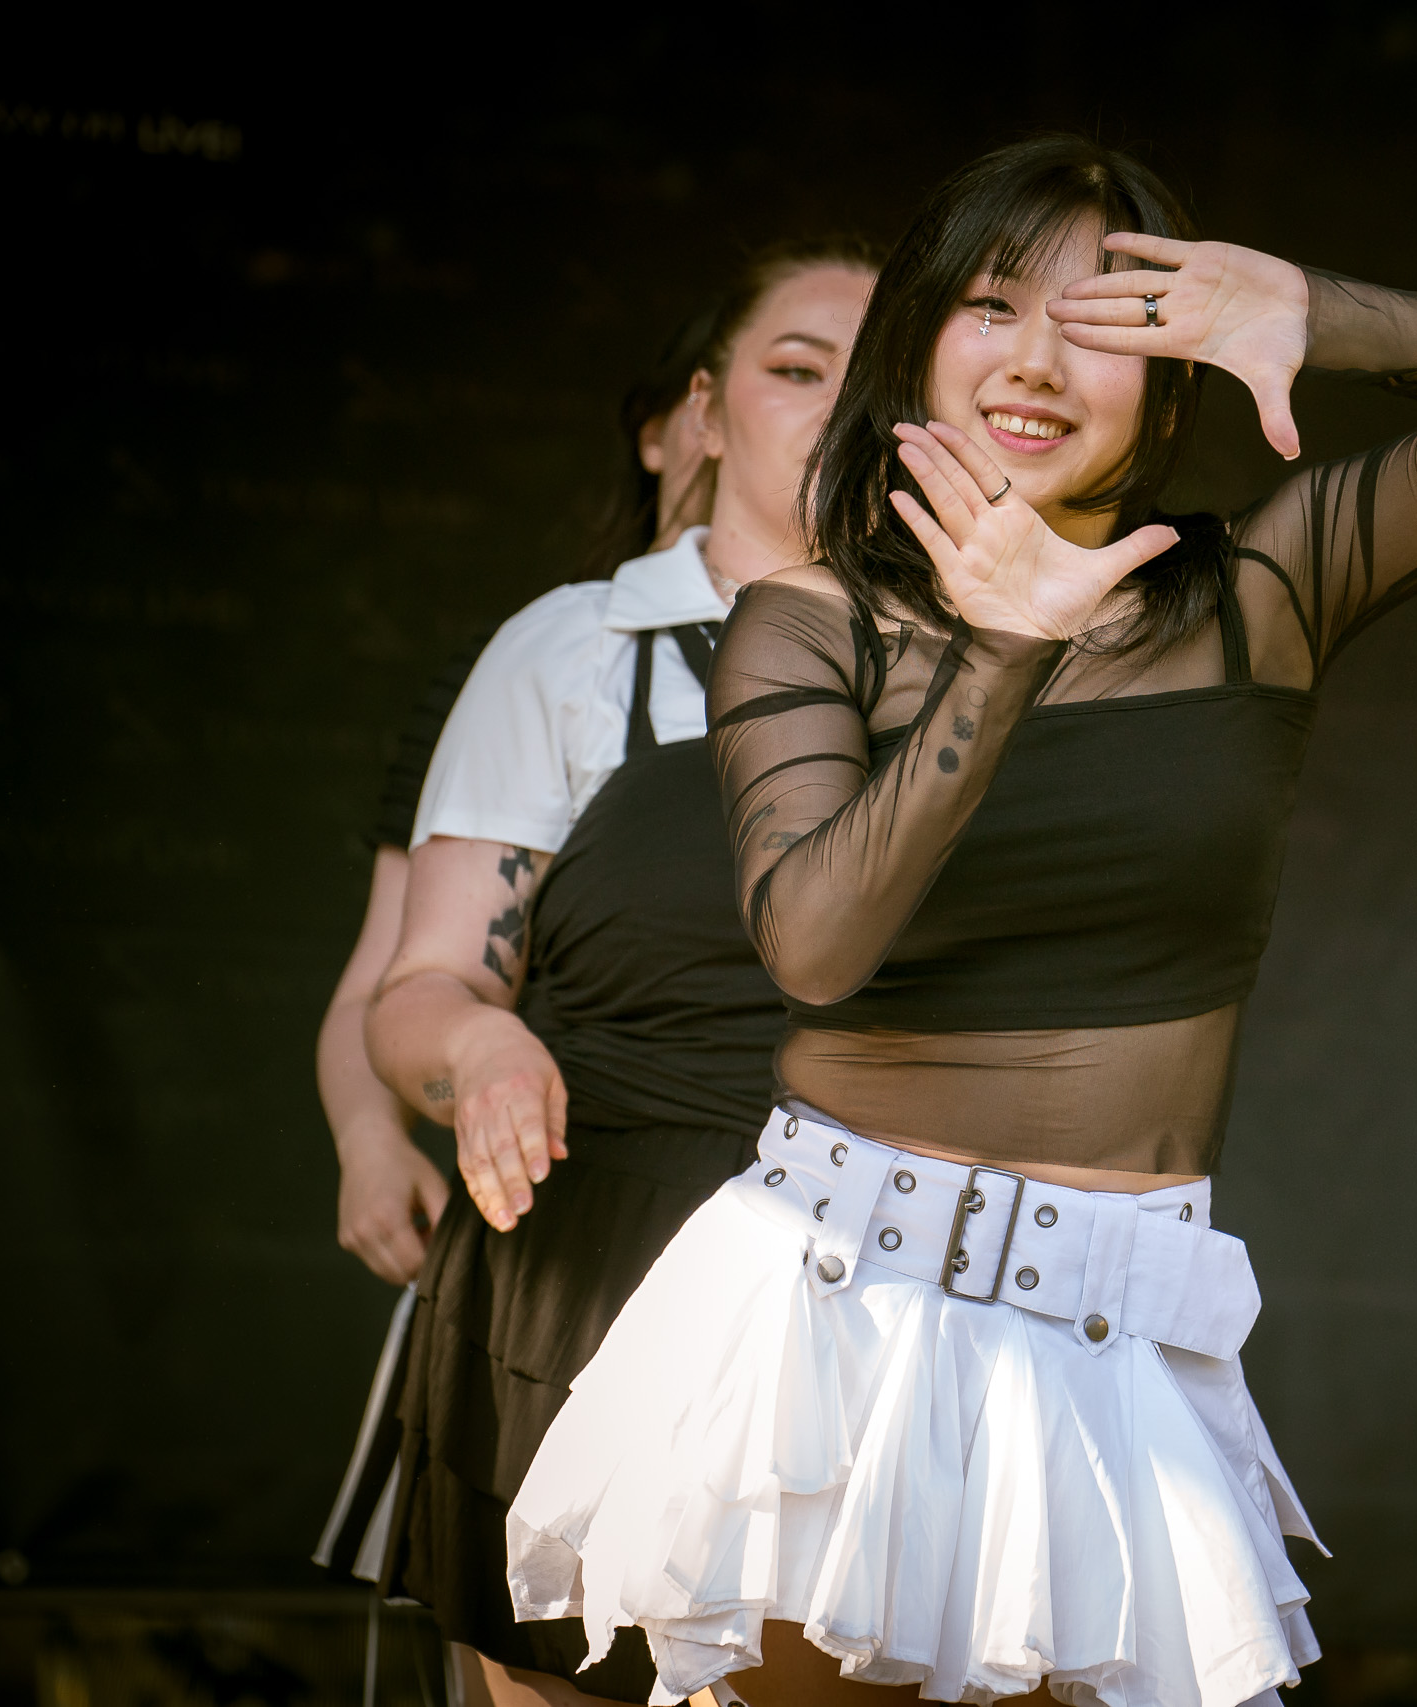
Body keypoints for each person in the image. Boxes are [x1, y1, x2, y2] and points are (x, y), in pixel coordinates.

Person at [504, 136, 1417, 1707]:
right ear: (918, 346)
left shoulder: (1259, 594)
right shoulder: (812, 619)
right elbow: (815, 946)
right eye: (991, 305)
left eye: (1101, 316)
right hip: (843, 1308)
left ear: (1169, 376)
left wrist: (1317, 312)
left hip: (1119, 1326)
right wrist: (1001, 649)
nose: (1037, 358)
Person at [361, 236, 884, 1707]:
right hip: (594, 1277)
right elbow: (420, 988)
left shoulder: (977, 666)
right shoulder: (578, 651)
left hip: (878, 1292)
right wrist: (484, 1050)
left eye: (880, 381)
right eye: (799, 369)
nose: (840, 408)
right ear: (704, 412)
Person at [316, 299, 725, 1288]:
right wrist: (371, 1143)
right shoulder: (536, 662)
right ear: (665, 430)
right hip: (581, 1215)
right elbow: (388, 978)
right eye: (786, 375)